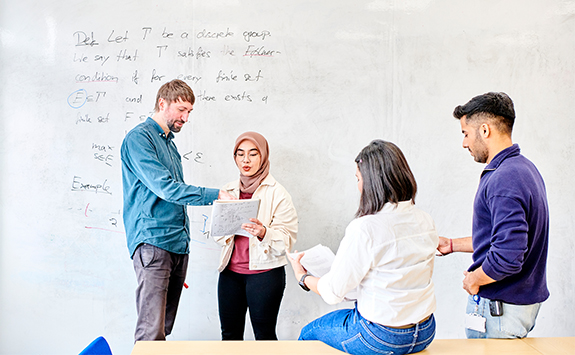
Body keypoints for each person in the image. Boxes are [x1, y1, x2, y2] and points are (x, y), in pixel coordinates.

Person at [288, 140, 437, 355]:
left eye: (358, 179)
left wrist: (302, 276)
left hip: (381, 337)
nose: (358, 186)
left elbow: (332, 293)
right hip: (425, 331)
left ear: (372, 182)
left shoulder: (365, 227)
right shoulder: (425, 219)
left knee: (309, 333)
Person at [121, 79, 235, 341]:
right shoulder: (139, 139)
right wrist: (215, 194)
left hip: (177, 246)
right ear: (163, 103)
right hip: (153, 244)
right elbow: (167, 189)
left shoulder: (169, 144)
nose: (185, 117)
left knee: (163, 331)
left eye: (189, 112)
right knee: (150, 334)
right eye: (181, 110)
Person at [437, 92, 549, 339]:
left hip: (500, 311)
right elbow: (505, 238)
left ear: (485, 130)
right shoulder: (524, 169)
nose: (464, 143)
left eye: (466, 133)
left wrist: (474, 279)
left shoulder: (503, 180)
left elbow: (508, 255)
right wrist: (453, 245)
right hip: (513, 309)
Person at [213, 131, 298, 340]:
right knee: (230, 336)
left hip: (265, 275)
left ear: (263, 157)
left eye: (253, 154)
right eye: (240, 154)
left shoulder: (278, 193)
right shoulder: (228, 190)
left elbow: (287, 240)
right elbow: (217, 234)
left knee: (265, 337)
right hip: (230, 274)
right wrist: (224, 227)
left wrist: (263, 233)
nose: (246, 160)